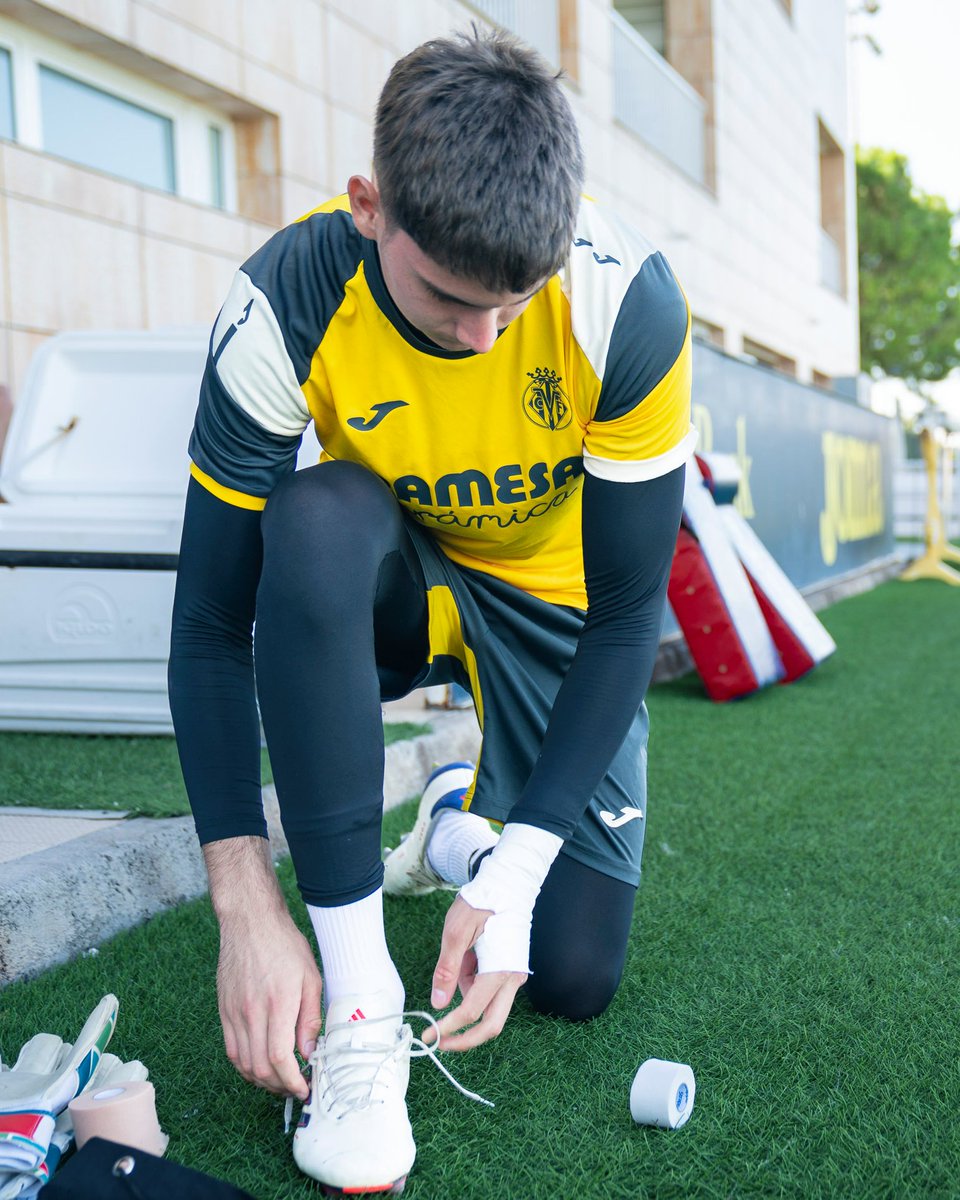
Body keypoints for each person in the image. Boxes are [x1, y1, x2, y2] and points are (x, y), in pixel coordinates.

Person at [168, 27, 694, 1197]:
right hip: (396, 581)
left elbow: (624, 620)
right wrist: (242, 898)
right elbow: (209, 622)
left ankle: (459, 827)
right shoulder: (283, 300)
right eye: (450, 298)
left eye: (516, 303)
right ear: (368, 207)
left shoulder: (629, 303)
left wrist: (505, 883)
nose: (484, 337)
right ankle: (363, 1004)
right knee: (307, 517)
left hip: (558, 609)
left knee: (568, 974)